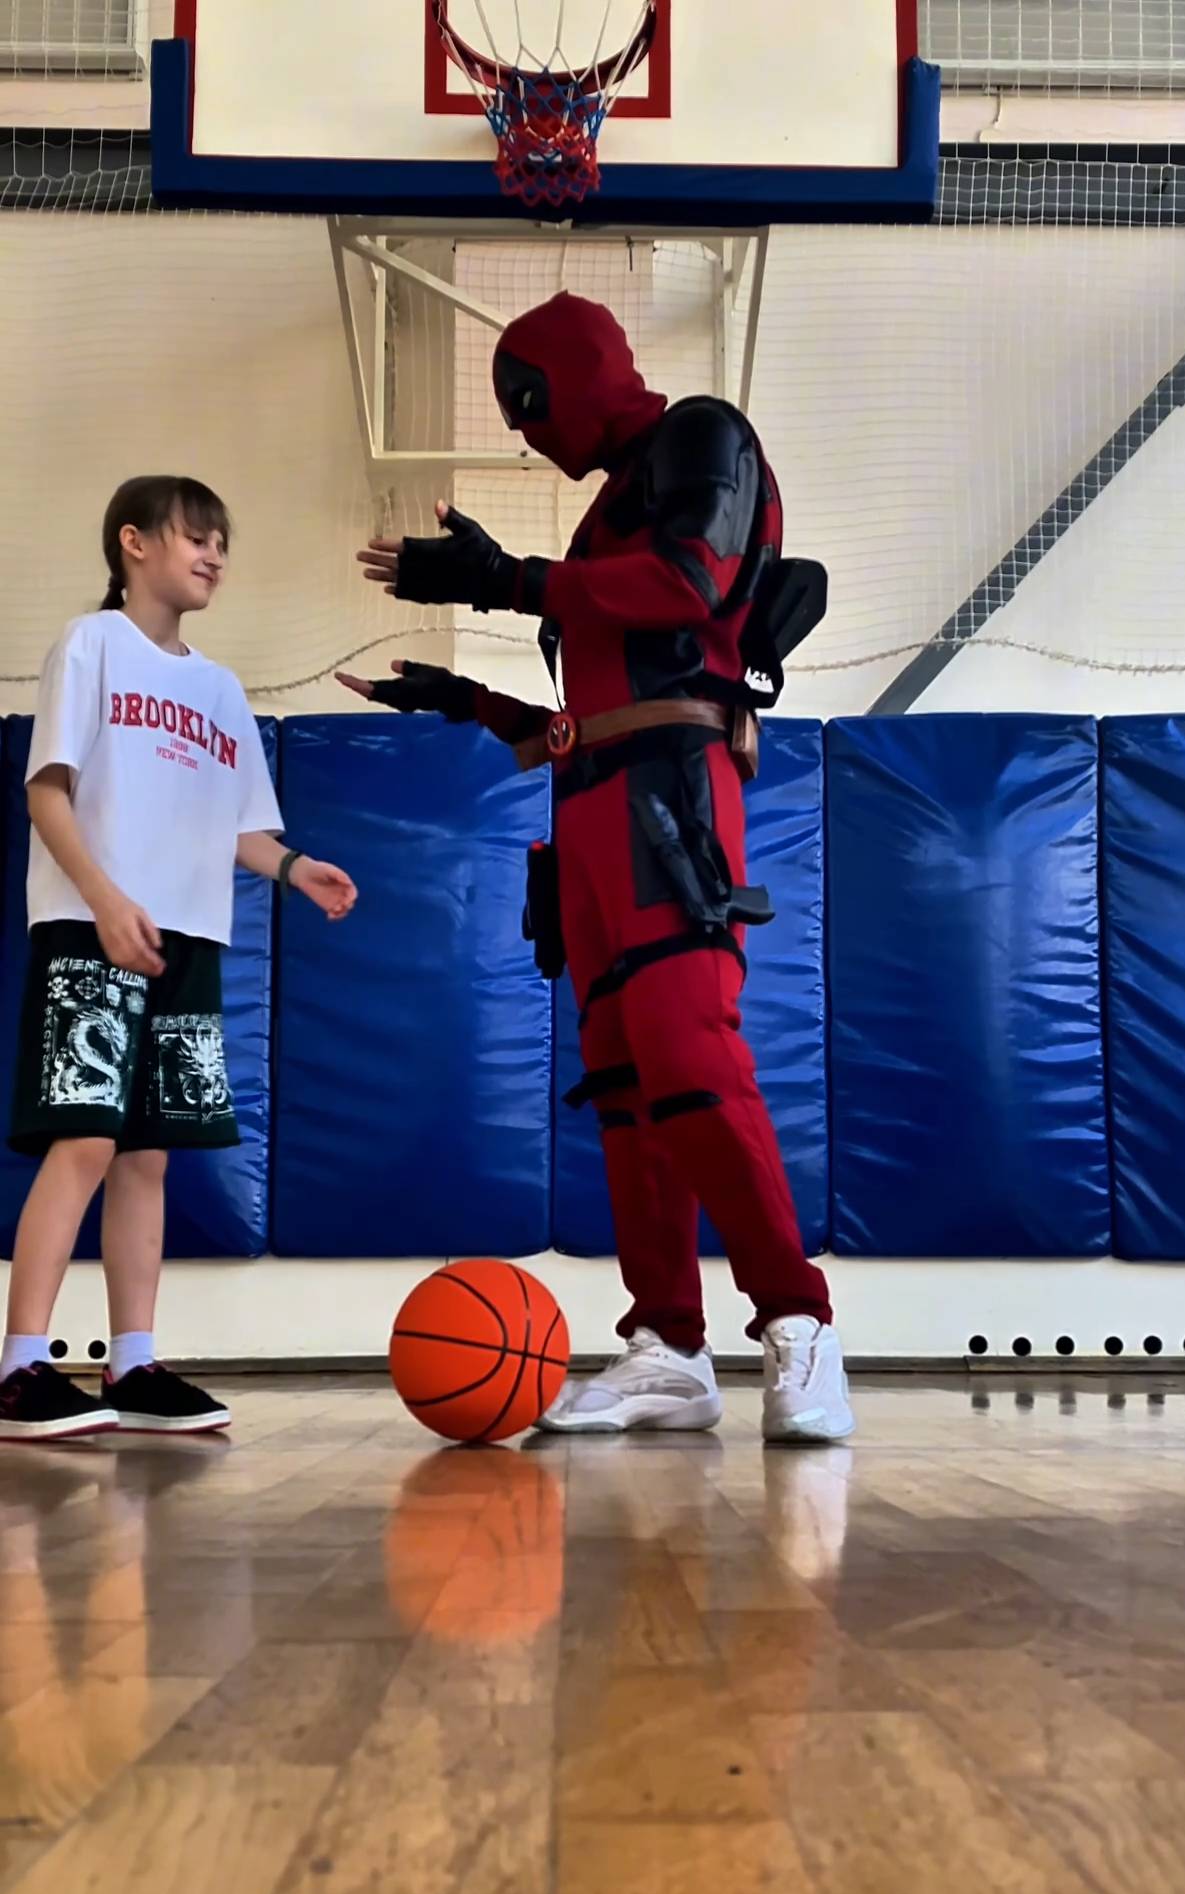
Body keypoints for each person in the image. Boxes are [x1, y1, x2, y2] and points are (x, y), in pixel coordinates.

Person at [339, 293, 852, 1445]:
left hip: (673, 797)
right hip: (590, 814)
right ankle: (668, 1344)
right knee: (627, 1085)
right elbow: (587, 716)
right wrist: (463, 698)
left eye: (527, 404)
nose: (526, 433)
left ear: (572, 378)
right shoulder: (600, 520)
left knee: (690, 1051)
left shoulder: (703, 435)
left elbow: (687, 589)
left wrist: (504, 579)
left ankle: (798, 1320)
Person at [0, 475, 358, 1445]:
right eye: (196, 537)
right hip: (93, 923)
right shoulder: (91, 644)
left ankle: (134, 1362)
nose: (214, 555)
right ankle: (20, 1365)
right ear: (134, 543)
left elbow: (241, 828)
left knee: (147, 1154)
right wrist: (105, 899)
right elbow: (47, 792)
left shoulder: (220, 690)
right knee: (84, 1139)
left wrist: (295, 868)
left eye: (221, 543)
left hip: (186, 937)